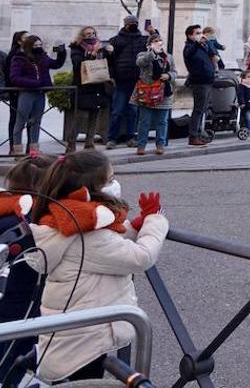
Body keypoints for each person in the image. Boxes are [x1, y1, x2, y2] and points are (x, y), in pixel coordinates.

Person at [28, 151, 168, 383]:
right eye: (110, 179)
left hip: (73, 335)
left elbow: (109, 245)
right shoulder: (86, 234)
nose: (115, 184)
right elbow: (140, 257)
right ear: (89, 190)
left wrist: (132, 227)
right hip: (83, 343)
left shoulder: (66, 219)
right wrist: (156, 220)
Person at [0, 154, 53, 386]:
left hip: (9, 299)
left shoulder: (6, 213)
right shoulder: (40, 223)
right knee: (13, 360)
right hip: (24, 306)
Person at [7, 34, 67, 158]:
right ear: (29, 46)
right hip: (26, 93)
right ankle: (17, 150)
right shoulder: (19, 58)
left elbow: (56, 64)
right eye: (35, 45)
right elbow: (15, 77)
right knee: (21, 121)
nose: (38, 47)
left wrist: (62, 53)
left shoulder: (43, 57)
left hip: (40, 93)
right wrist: (34, 83)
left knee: (36, 121)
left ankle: (34, 150)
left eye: (40, 45)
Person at [68, 26, 112, 153]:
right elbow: (77, 65)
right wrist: (92, 54)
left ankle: (89, 142)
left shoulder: (100, 47)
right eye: (87, 34)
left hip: (97, 85)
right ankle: (71, 143)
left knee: (94, 115)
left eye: (93, 33)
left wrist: (109, 53)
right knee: (80, 116)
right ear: (82, 35)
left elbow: (108, 64)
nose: (91, 36)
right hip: (82, 86)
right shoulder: (76, 48)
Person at [132, 34, 176, 154]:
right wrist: (152, 53)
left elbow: (174, 71)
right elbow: (140, 63)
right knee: (144, 121)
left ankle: (160, 145)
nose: (158, 43)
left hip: (164, 92)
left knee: (162, 121)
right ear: (150, 44)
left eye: (160, 40)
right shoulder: (143, 55)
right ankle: (141, 145)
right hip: (147, 92)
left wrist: (169, 76)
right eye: (155, 41)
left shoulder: (169, 57)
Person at [106, 16, 146, 148]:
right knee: (117, 111)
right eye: (130, 23)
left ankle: (131, 137)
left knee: (133, 111)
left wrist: (152, 32)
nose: (133, 25)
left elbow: (156, 44)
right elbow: (108, 60)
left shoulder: (142, 40)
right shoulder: (116, 40)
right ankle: (112, 138)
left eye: (134, 23)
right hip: (121, 80)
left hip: (136, 80)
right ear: (125, 25)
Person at [182, 25, 215, 147]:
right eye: (197, 33)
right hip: (199, 82)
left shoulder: (202, 47)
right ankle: (193, 136)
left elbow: (212, 55)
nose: (200, 35)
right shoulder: (189, 47)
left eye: (200, 33)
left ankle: (199, 133)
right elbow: (189, 54)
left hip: (207, 81)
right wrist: (197, 44)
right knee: (198, 109)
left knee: (203, 109)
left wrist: (209, 44)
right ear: (190, 35)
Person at [3, 31, 28, 152]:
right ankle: (14, 146)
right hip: (16, 92)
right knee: (15, 119)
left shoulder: (34, 53)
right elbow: (9, 75)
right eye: (26, 38)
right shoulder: (13, 55)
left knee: (31, 120)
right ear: (19, 41)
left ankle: (31, 147)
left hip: (29, 91)